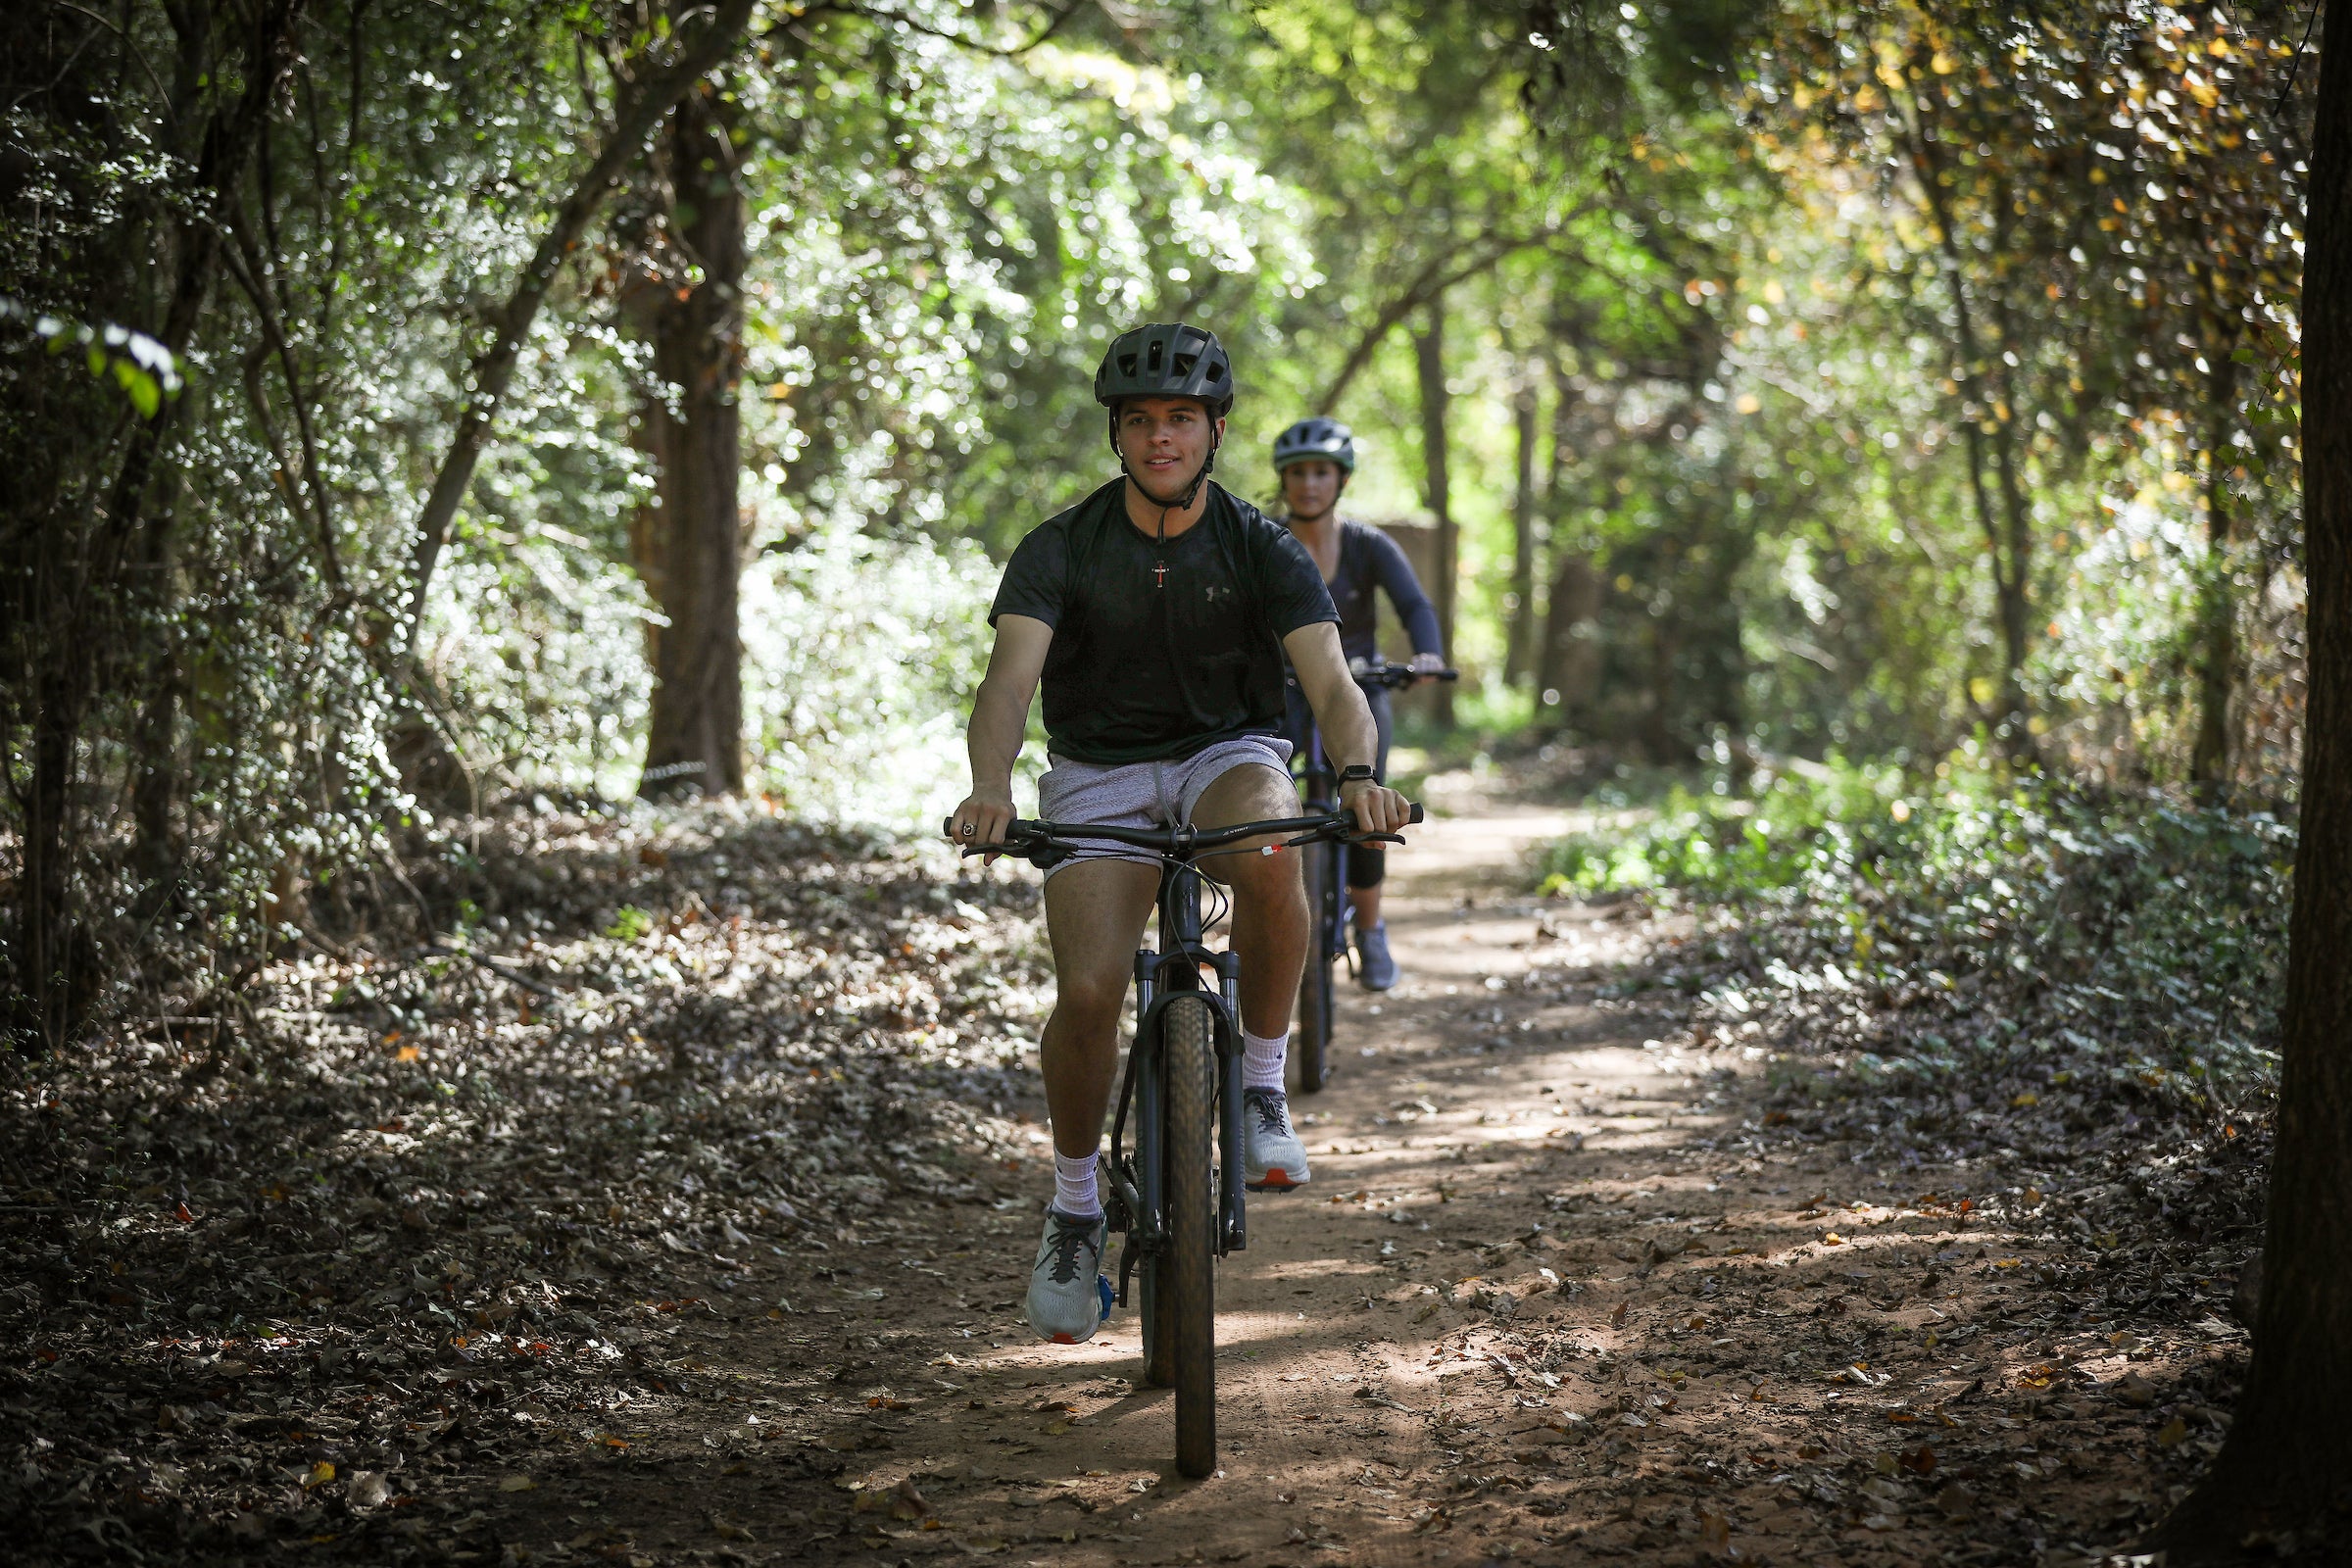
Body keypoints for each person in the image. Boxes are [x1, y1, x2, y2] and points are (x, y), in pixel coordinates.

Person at [947, 323, 1416, 1346]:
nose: (1163, 438)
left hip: (1225, 754)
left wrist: (1361, 777)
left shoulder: (1259, 544)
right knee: (1087, 990)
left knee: (1269, 846)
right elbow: (1009, 681)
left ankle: (1256, 1088)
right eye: (1143, 422)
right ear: (1118, 435)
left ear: (1213, 433)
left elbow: (1330, 684)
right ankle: (1075, 1206)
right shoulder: (1062, 546)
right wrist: (990, 787)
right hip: (1097, 773)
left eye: (1183, 421)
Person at [1269, 416, 1446, 991]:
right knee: (1258, 794)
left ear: (1340, 480)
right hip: (1287, 690)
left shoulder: (1368, 545)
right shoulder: (1266, 541)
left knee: (1370, 808)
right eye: (1297, 473)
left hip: (1361, 687)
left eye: (1320, 472)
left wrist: (1426, 655)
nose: (1309, 484)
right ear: (1284, 480)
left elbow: (1414, 605)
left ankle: (1369, 929)